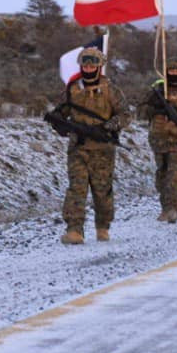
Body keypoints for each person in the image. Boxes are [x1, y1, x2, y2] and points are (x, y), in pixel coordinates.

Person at [54, 47, 131, 244]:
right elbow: (60, 113)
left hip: (103, 150)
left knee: (102, 190)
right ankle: (74, 230)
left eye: (92, 65)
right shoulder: (72, 88)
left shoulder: (110, 90)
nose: (88, 69)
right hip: (78, 148)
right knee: (76, 189)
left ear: (99, 67)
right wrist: (60, 125)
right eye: (85, 65)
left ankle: (102, 227)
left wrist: (109, 127)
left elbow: (125, 114)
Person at [139, 56, 177, 223]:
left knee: (174, 175)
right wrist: (155, 108)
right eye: (171, 70)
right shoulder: (157, 90)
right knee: (162, 175)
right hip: (158, 140)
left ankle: (173, 207)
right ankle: (165, 207)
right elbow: (141, 112)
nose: (174, 73)